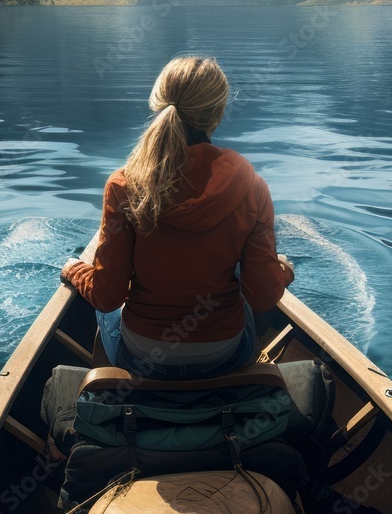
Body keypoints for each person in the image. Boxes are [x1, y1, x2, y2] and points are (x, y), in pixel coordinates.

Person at [61, 55, 294, 379]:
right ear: (219, 111)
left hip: (144, 355)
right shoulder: (250, 185)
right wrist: (283, 271)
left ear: (159, 103)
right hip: (226, 353)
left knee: (104, 315)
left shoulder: (123, 185)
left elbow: (107, 296)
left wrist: (76, 271)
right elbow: (263, 295)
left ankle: (117, 387)